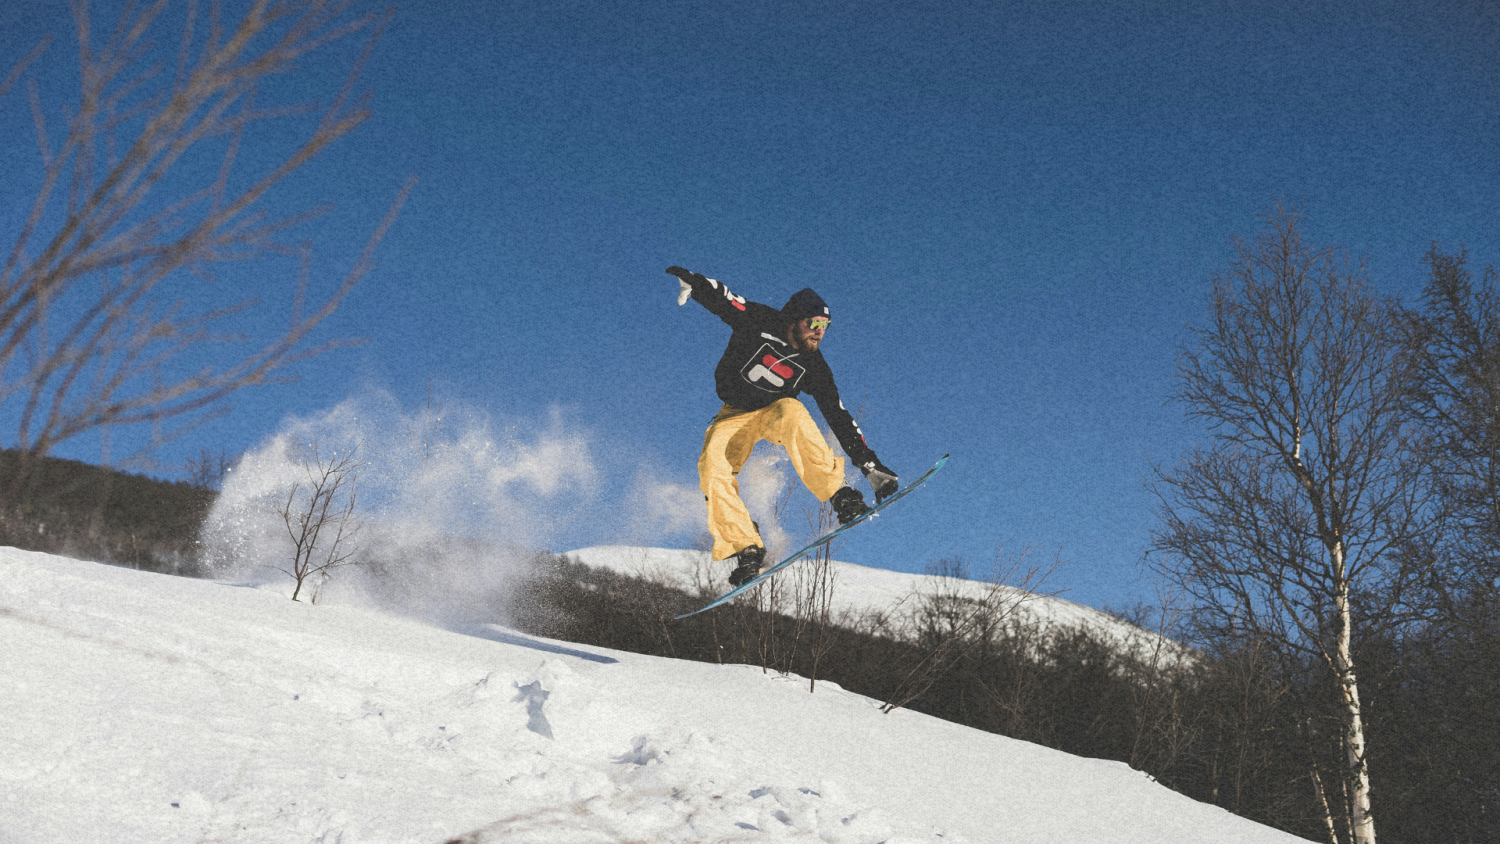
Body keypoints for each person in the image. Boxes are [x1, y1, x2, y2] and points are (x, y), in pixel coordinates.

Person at [666, 265, 899, 587]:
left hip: (774, 411)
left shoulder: (815, 366)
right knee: (712, 467)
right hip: (734, 414)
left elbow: (838, 415)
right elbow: (727, 302)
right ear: (794, 319)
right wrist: (696, 283)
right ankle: (746, 546)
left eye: (826, 326)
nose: (819, 332)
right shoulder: (760, 321)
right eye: (813, 323)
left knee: (793, 410)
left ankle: (841, 495)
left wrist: (869, 465)